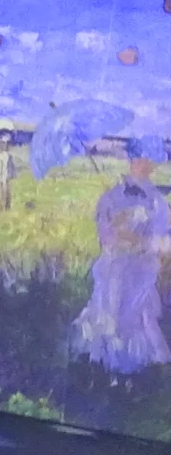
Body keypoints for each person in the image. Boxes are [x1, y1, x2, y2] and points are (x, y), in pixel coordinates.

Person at [69, 139, 171, 374]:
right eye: (138, 158)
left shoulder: (158, 203)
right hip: (112, 271)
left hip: (141, 274)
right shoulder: (111, 197)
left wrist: (139, 241)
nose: (143, 164)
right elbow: (104, 236)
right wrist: (115, 227)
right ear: (131, 161)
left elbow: (165, 243)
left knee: (138, 317)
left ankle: (138, 373)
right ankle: (103, 369)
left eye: (148, 160)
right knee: (108, 315)